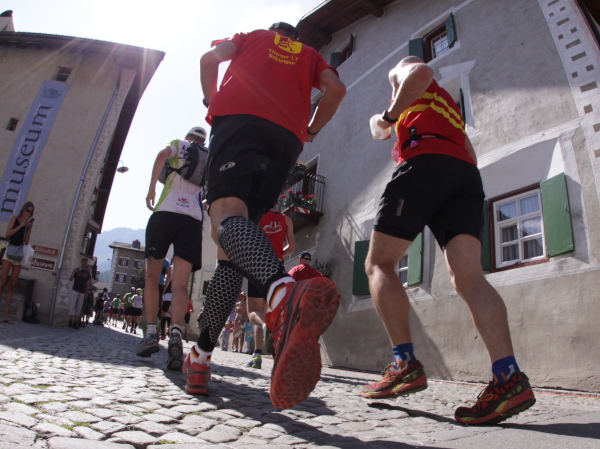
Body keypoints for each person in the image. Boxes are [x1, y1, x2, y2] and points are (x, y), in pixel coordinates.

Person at [360, 56, 536, 426]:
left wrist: (387, 119)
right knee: (468, 277)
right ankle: (508, 377)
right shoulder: (448, 109)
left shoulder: (403, 73)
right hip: (465, 175)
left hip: (424, 162)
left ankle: (404, 364)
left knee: (378, 263)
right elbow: (469, 152)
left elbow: (421, 71)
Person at [188, 21, 345, 409]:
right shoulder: (310, 56)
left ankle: (283, 292)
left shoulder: (251, 38)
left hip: (240, 121)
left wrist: (212, 103)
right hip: (286, 139)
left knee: (225, 219)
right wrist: (311, 130)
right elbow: (336, 90)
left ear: (273, 31)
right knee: (232, 256)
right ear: (295, 38)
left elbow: (208, 60)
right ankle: (201, 357)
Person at [136, 126, 207, 371]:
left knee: (152, 277)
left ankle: (151, 333)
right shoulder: (209, 157)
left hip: (166, 212)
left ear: (189, 138)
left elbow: (161, 155)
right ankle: (176, 333)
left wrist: (151, 189)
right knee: (180, 284)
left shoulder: (179, 144)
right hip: (192, 219)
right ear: (203, 141)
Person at [246, 207, 294, 369]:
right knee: (264, 311)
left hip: (258, 263)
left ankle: (266, 330)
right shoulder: (286, 219)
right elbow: (291, 247)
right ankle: (257, 355)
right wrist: (278, 255)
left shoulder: (258, 215)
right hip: (277, 266)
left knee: (253, 312)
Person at [0, 201, 35, 324]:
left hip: (19, 255)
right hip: (9, 252)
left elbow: (26, 243)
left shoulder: (27, 225)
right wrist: (21, 225)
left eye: (31, 212)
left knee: (12, 285)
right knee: (2, 281)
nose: (29, 213)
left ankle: (5, 315)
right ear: (23, 210)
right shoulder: (14, 219)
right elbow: (8, 234)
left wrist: (29, 228)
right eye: (28, 211)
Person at [68, 257, 91, 329]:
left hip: (82, 291)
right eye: (83, 261)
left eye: (85, 261)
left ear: (87, 263)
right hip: (75, 289)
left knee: (79, 307)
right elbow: (71, 279)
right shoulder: (77, 270)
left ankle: (76, 321)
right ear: (81, 262)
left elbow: (87, 282)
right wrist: (74, 272)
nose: (84, 263)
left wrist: (86, 291)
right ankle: (70, 320)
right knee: (72, 305)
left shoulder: (87, 272)